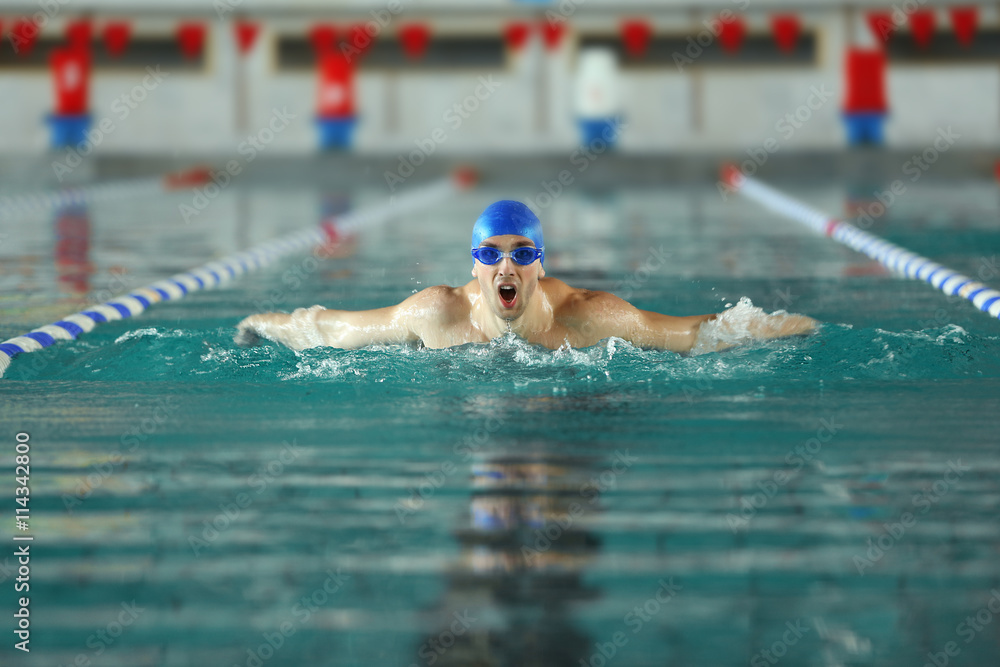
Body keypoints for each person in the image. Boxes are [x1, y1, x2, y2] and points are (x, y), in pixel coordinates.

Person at [235, 200, 816, 353]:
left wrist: (785, 326)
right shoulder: (437, 314)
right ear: (473, 266)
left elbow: (696, 334)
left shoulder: (587, 317)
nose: (505, 265)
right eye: (490, 255)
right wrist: (256, 323)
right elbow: (331, 331)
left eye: (520, 253)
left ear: (541, 263)